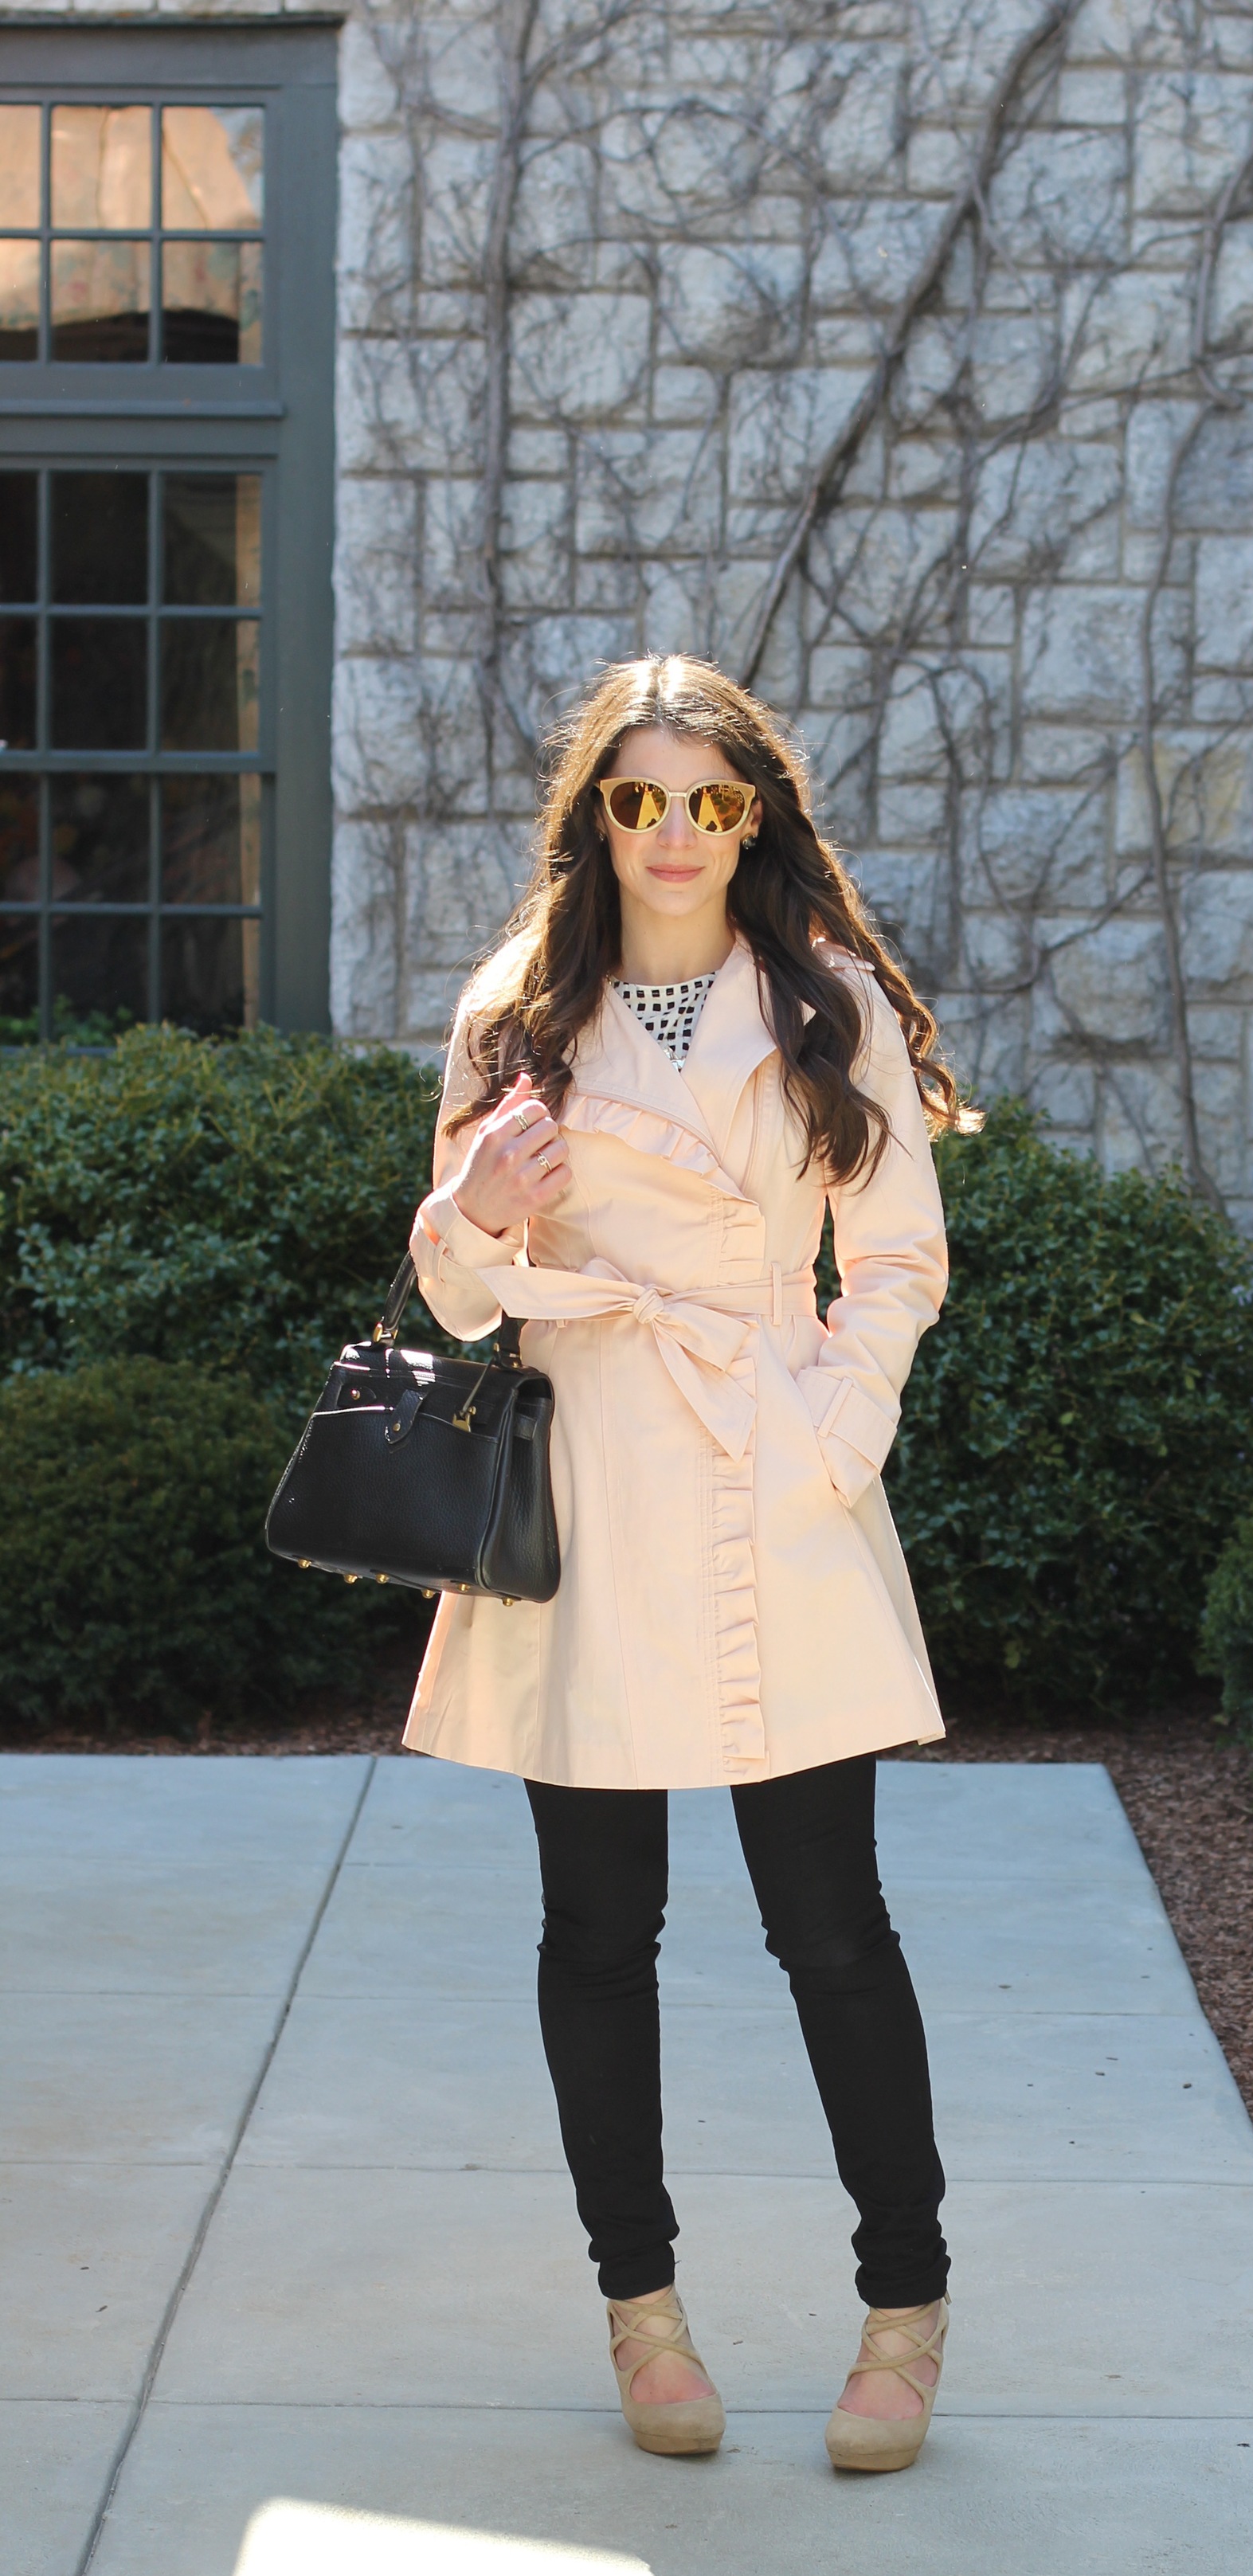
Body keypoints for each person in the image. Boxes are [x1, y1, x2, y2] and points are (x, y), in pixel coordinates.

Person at [404, 653, 961, 2475]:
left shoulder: (829, 1007)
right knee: (596, 1928)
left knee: (832, 1930)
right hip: (589, 1487)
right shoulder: (517, 1014)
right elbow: (457, 1284)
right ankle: (640, 2315)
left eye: (705, 800)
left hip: (775, 1469)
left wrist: (835, 1433)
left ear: (754, 817)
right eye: (632, 799)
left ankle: (904, 2311)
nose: (668, 832)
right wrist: (482, 1204)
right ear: (593, 819)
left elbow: (894, 1258)